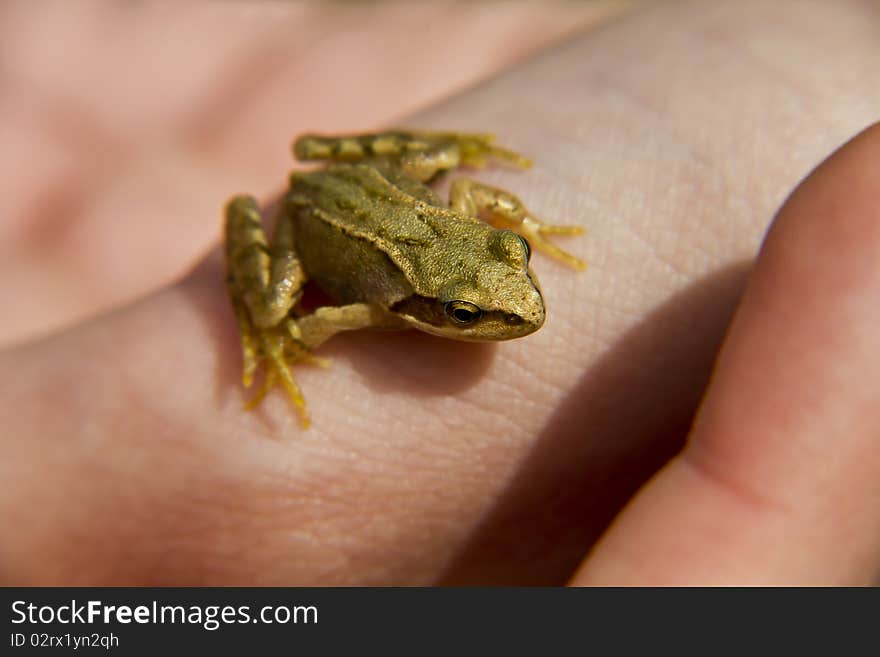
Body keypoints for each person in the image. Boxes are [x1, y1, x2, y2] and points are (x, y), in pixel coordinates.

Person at [1, 0, 878, 585]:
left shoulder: (479, 245)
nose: (513, 313)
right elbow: (336, 316)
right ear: (427, 311)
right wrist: (284, 340)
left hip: (390, 206)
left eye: (508, 276)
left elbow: (485, 206)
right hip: (316, 229)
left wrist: (520, 234)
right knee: (275, 311)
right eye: (469, 315)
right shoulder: (376, 306)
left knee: (444, 183)